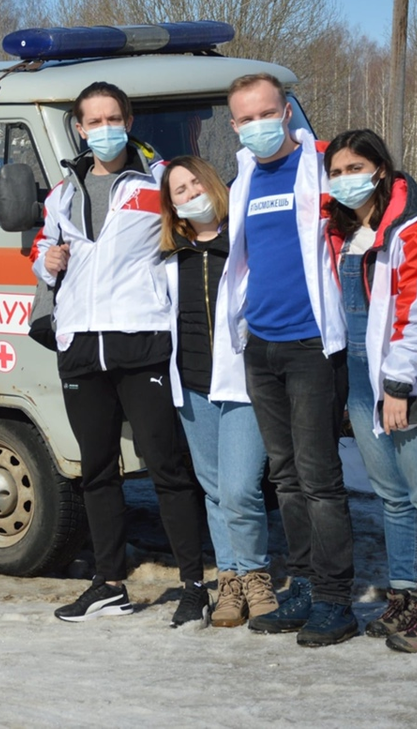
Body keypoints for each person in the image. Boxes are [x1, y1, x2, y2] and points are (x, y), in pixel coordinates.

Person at [33, 81, 209, 627]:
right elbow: (44, 250)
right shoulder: (62, 193)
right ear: (80, 129)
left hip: (141, 341)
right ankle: (108, 583)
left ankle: (194, 585)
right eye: (95, 120)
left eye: (115, 118)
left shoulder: (157, 182)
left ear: (128, 122)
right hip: (81, 344)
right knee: (96, 471)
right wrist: (48, 262)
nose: (106, 128)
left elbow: (198, 234)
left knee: (167, 468)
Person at [325, 128, 417, 653]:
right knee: (392, 497)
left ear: (380, 170)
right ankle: (406, 594)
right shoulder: (344, 233)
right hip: (366, 382)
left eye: (354, 170)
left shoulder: (415, 233)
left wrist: (397, 387)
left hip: (416, 381)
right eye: (336, 173)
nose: (345, 181)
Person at [225, 73, 356, 646]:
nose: (258, 124)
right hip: (263, 348)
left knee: (320, 478)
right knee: (285, 477)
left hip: (310, 346)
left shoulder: (323, 167)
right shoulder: (244, 178)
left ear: (288, 112)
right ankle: (301, 587)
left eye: (267, 112)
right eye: (246, 117)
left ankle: (335, 599)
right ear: (234, 125)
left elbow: (381, 205)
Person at [159, 156, 277, 628]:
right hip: (192, 386)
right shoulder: (171, 253)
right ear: (172, 206)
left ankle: (255, 575)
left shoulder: (244, 241)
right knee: (212, 488)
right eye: (179, 191)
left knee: (240, 486)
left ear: (213, 183)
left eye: (194, 183)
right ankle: (228, 581)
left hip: (244, 382)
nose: (190, 194)